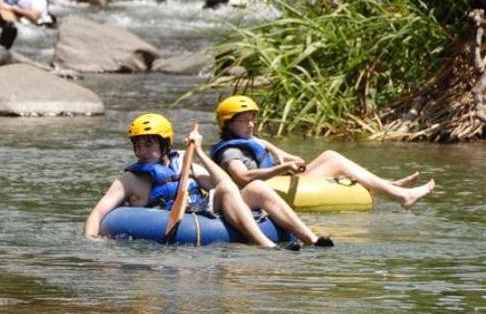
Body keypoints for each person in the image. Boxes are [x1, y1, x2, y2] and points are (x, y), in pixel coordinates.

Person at [83, 113, 334, 249]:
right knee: (233, 190)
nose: (142, 150)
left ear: (164, 144)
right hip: (167, 222)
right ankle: (265, 244)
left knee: (255, 188)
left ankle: (311, 239)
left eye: (149, 143)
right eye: (138, 145)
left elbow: (224, 184)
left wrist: (200, 151)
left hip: (204, 212)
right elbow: (99, 213)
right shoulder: (130, 179)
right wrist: (90, 244)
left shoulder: (185, 161)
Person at [210, 95, 436, 209]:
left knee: (329, 156)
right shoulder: (230, 153)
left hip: (277, 181)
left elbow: (270, 149)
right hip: (260, 191)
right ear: (228, 124)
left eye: (252, 120)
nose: (250, 125)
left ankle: (388, 185)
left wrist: (287, 158)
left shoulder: (250, 139)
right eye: (244, 121)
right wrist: (284, 167)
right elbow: (242, 177)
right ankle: (400, 194)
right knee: (335, 160)